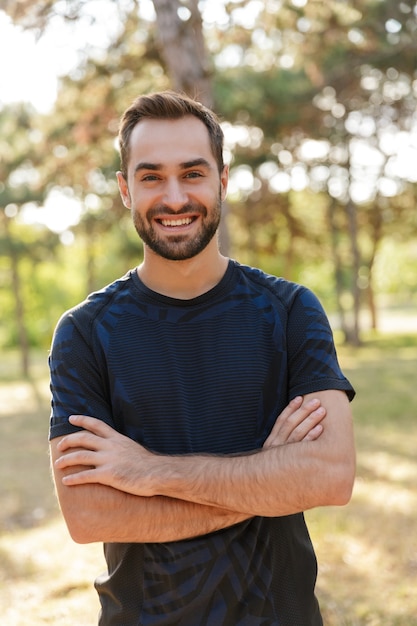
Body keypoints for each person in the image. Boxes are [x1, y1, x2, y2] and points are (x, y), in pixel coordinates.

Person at [49, 91, 355, 626]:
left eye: (193, 173)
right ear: (125, 189)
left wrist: (149, 472)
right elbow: (89, 514)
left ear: (223, 181)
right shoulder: (84, 333)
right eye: (151, 177)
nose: (173, 198)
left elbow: (330, 475)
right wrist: (269, 480)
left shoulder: (289, 311)